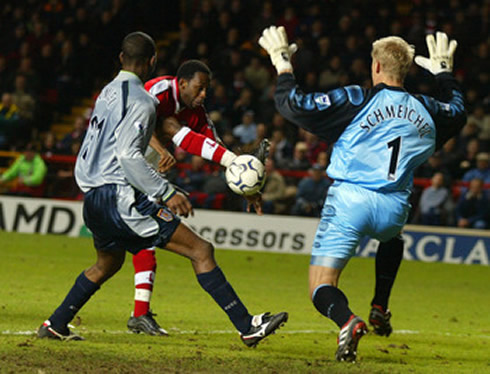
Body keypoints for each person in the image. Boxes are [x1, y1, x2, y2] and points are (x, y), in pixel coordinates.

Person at [37, 32, 288, 347]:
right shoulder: (144, 98)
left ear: (121, 59)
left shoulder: (107, 93)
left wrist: (235, 167)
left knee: (108, 264)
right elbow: (129, 154)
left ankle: (56, 323)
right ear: (153, 62)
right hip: (119, 195)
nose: (204, 94)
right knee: (201, 250)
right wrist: (166, 191)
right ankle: (247, 325)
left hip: (92, 196)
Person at [259, 26, 466, 361]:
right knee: (392, 238)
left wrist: (283, 65)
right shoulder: (427, 108)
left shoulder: (357, 99)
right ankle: (380, 305)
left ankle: (348, 321)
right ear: (407, 69)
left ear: (378, 67)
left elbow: (293, 105)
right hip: (395, 207)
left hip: (350, 202)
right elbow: (457, 110)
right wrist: (445, 75)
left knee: (321, 286)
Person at [128, 60, 267, 336]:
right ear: (182, 83)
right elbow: (135, 123)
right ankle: (244, 324)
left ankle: (137, 315)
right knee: (192, 248)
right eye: (199, 88)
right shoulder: (158, 90)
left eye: (207, 89)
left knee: (126, 250)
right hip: (124, 164)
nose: (204, 95)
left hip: (145, 174)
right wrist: (159, 148)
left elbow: (215, 149)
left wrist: (248, 187)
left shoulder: (197, 114)